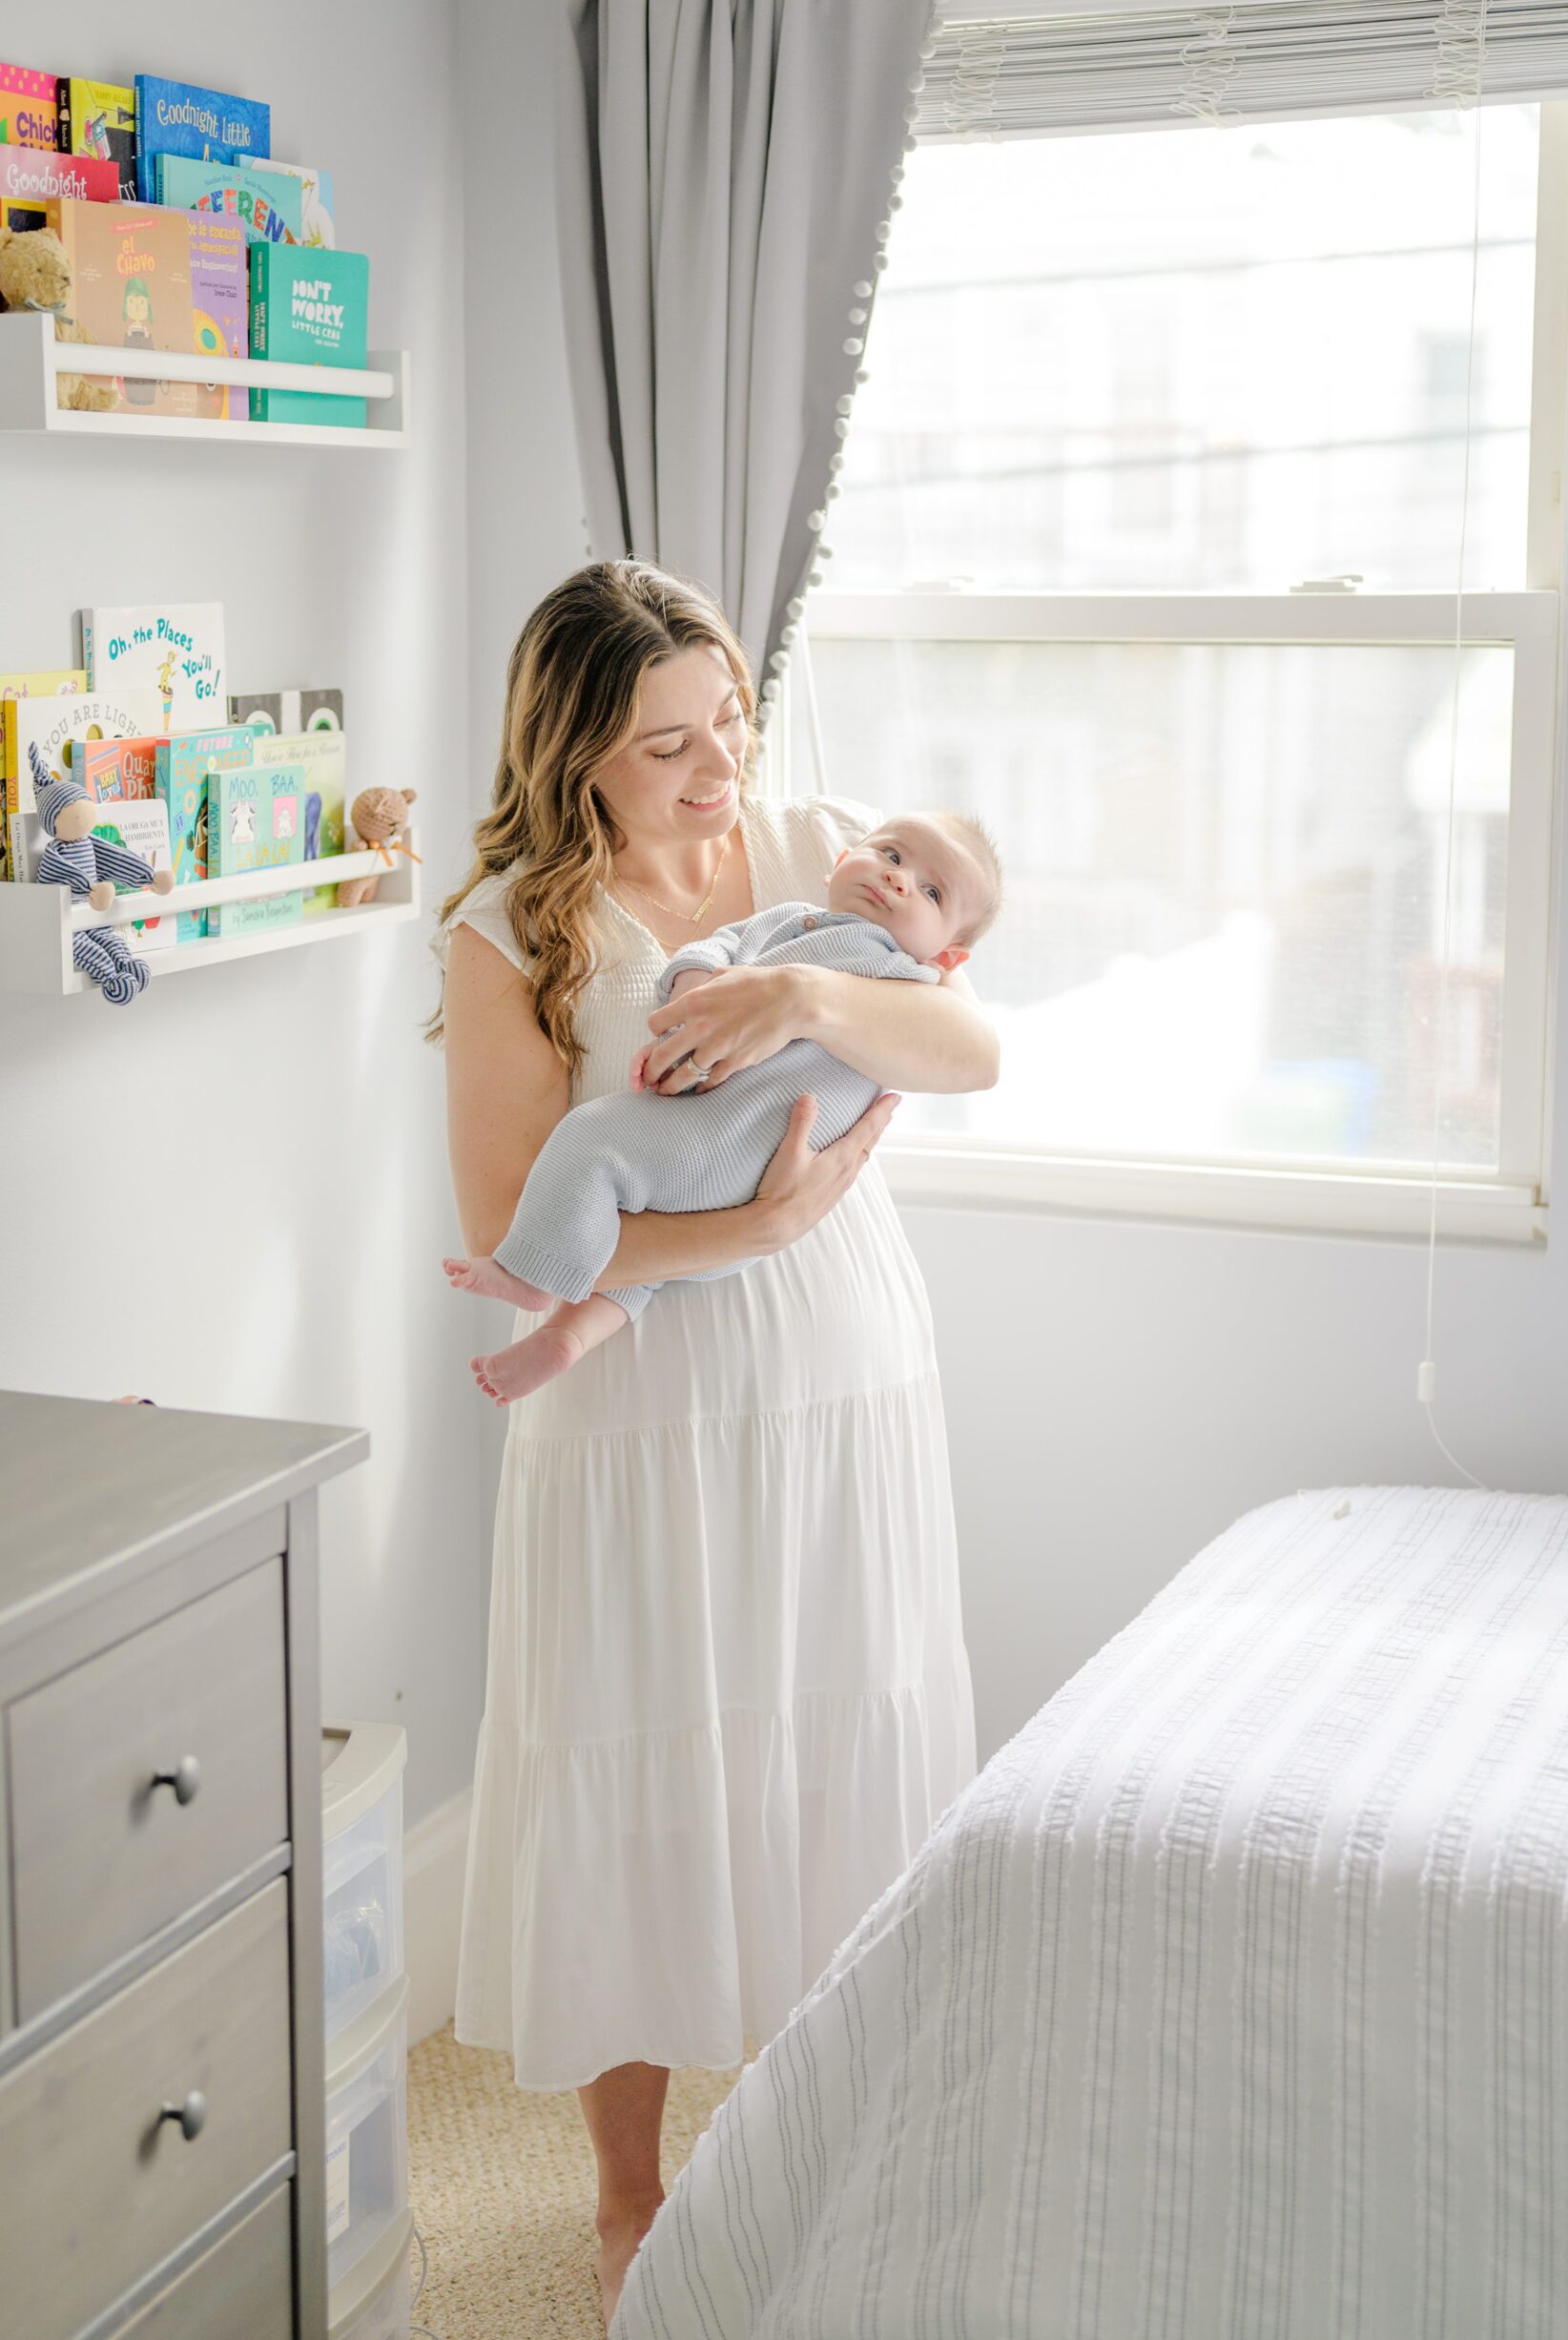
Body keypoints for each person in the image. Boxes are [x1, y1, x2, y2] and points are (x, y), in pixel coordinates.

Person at [429, 560, 994, 2327]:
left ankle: (827, 2147)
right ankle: (623, 2191)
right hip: (641, 1405)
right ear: (578, 748)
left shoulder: (825, 848)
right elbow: (522, 1226)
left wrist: (807, 1005)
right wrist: (747, 1236)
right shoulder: (512, 928)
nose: (715, 765)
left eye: (729, 719)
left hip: (839, 1375)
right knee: (642, 1767)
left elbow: (966, 1045)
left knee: (834, 1740)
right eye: (666, 741)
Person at [444, 806, 1001, 1402]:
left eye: (931, 892)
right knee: (643, 1264)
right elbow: (715, 948)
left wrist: (801, 996)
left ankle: (532, 1273)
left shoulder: (909, 979)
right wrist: (695, 986)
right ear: (841, 862)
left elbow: (973, 1054)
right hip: (732, 1177)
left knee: (594, 1139)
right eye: (890, 856)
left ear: (947, 958)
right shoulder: (794, 922)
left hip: (742, 1153)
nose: (899, 879)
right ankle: (568, 1337)